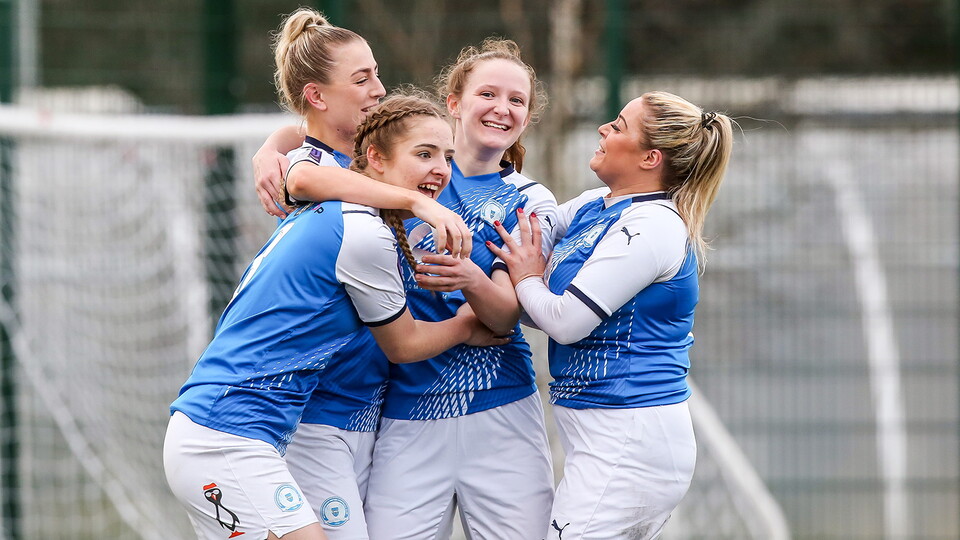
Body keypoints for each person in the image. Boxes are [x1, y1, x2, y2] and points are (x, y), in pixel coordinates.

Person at [162, 87, 504, 539]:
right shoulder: (362, 230)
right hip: (225, 434)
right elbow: (403, 345)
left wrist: (273, 146)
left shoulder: (341, 201)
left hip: (236, 433)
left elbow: (301, 148)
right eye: (423, 154)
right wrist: (467, 323)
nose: (440, 169)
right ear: (375, 159)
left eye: (446, 156)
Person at [254, 38, 559, 539]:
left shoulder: (528, 198)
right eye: (488, 94)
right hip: (405, 412)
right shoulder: (409, 166)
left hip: (502, 407)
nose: (502, 109)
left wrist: (471, 279)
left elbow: (504, 318)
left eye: (517, 100)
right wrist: (273, 148)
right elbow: (329, 134)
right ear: (454, 103)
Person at [488, 91, 734, 539]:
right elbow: (527, 242)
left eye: (619, 126)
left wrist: (525, 278)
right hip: (599, 434)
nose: (604, 129)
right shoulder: (593, 204)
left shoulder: (653, 226)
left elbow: (562, 321)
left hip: (631, 437)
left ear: (650, 158)